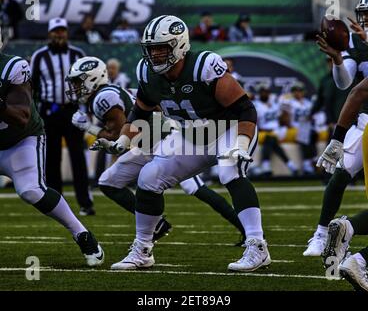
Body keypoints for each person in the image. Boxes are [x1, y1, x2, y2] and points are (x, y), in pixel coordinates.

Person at [92, 15, 270, 272]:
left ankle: (257, 247)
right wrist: (122, 141)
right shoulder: (147, 72)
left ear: (179, 45)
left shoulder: (203, 66)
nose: (154, 55)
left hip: (227, 128)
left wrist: (241, 144)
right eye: (150, 49)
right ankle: (143, 250)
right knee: (149, 177)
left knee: (229, 169)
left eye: (160, 48)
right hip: (192, 134)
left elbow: (245, 109)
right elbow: (140, 113)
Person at [67, 56, 246, 245]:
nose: (76, 87)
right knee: (108, 181)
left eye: (79, 81)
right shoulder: (116, 91)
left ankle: (248, 231)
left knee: (196, 188)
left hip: (164, 141)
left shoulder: (103, 98)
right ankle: (157, 224)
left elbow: (119, 135)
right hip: (149, 143)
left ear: (92, 78)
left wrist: (88, 127)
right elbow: (155, 107)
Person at [0, 32, 104, 267]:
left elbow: (22, 116)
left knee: (31, 190)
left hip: (20, 140)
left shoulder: (13, 66)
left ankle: (82, 234)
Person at [303, 0, 368, 257]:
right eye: (365, 13)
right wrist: (339, 61)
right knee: (340, 172)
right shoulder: (356, 41)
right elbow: (345, 84)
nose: (365, 19)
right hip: (366, 122)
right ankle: (321, 233)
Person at [30, 18, 94, 216]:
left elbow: (89, 82)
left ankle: (85, 203)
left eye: (62, 31)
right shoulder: (39, 56)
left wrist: (86, 109)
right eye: (56, 31)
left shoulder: (78, 54)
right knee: (52, 158)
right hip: (49, 111)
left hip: (72, 110)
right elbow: (32, 87)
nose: (59, 34)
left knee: (78, 157)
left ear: (67, 32)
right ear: (50, 34)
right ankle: (55, 205)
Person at [253, 84, 297, 176]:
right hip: (262, 133)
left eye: (266, 92)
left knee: (272, 138)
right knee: (270, 138)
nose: (265, 94)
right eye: (263, 92)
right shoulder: (256, 105)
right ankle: (289, 164)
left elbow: (282, 119)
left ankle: (266, 165)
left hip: (276, 131)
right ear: (259, 93)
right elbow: (254, 122)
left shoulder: (274, 104)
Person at [281, 82, 316, 175]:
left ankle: (312, 159)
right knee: (304, 133)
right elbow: (284, 119)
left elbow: (312, 119)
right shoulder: (289, 102)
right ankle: (307, 163)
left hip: (306, 129)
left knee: (312, 132)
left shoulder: (308, 103)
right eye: (295, 90)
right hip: (293, 128)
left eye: (299, 90)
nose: (297, 92)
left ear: (303, 92)